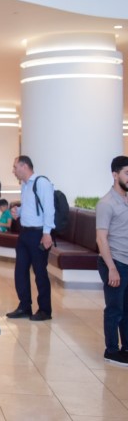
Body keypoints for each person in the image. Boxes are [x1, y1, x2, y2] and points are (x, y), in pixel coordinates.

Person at [6, 155, 55, 321]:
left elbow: (49, 209)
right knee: (20, 271)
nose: (13, 171)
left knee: (40, 273)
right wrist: (18, 211)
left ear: (24, 166)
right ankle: (24, 306)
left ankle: (45, 310)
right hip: (25, 233)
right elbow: (31, 207)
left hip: (38, 234)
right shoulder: (25, 185)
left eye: (15, 167)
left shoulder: (42, 183)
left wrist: (47, 233)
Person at [95, 155, 128, 367]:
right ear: (115, 175)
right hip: (114, 263)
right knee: (115, 309)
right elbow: (101, 238)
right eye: (127, 173)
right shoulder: (106, 203)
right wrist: (112, 269)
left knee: (127, 309)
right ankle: (111, 350)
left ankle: (126, 348)